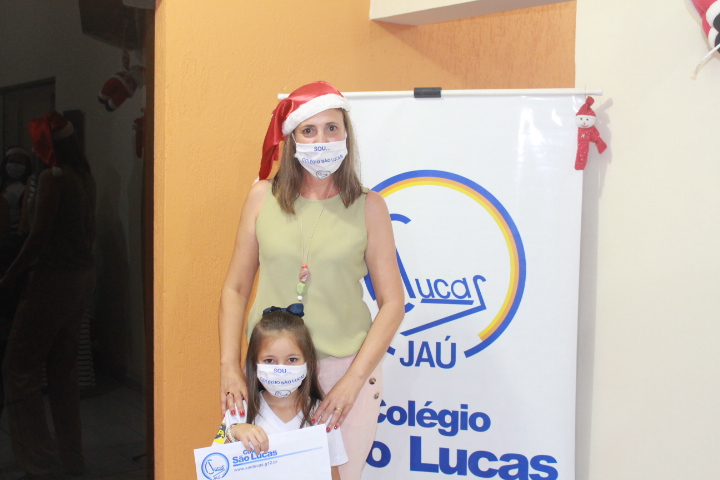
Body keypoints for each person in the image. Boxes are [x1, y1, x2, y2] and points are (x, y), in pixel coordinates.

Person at [219, 81, 404, 480]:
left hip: (343, 373)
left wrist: (352, 382)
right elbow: (236, 288)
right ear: (292, 139)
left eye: (332, 128)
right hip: (271, 372)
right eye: (309, 130)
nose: (322, 140)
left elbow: (393, 304)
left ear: (346, 135)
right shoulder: (261, 198)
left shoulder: (370, 207)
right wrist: (229, 365)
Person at [0, 111, 96, 479]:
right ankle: (72, 460)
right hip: (81, 278)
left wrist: (10, 276)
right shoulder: (83, 176)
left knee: (19, 369)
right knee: (62, 372)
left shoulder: (51, 178)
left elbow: (37, 236)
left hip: (53, 279)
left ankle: (39, 462)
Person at [222, 304, 347, 479]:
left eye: (292, 359)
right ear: (254, 363)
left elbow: (333, 472)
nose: (281, 369)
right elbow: (215, 465)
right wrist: (234, 432)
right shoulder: (239, 410)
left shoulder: (323, 415)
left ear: (308, 361)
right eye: (270, 360)